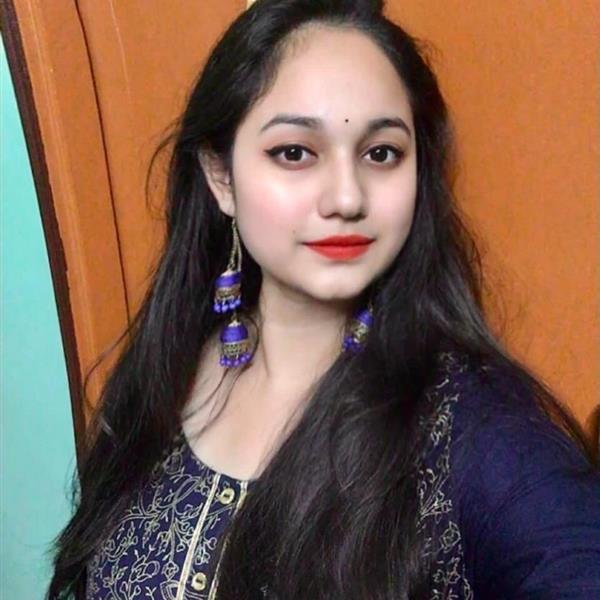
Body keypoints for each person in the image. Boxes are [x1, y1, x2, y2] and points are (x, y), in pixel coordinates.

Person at [46, 0, 600, 598]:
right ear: (221, 177)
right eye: (295, 152)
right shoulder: (163, 373)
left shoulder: (470, 430)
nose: (347, 197)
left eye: (381, 153)